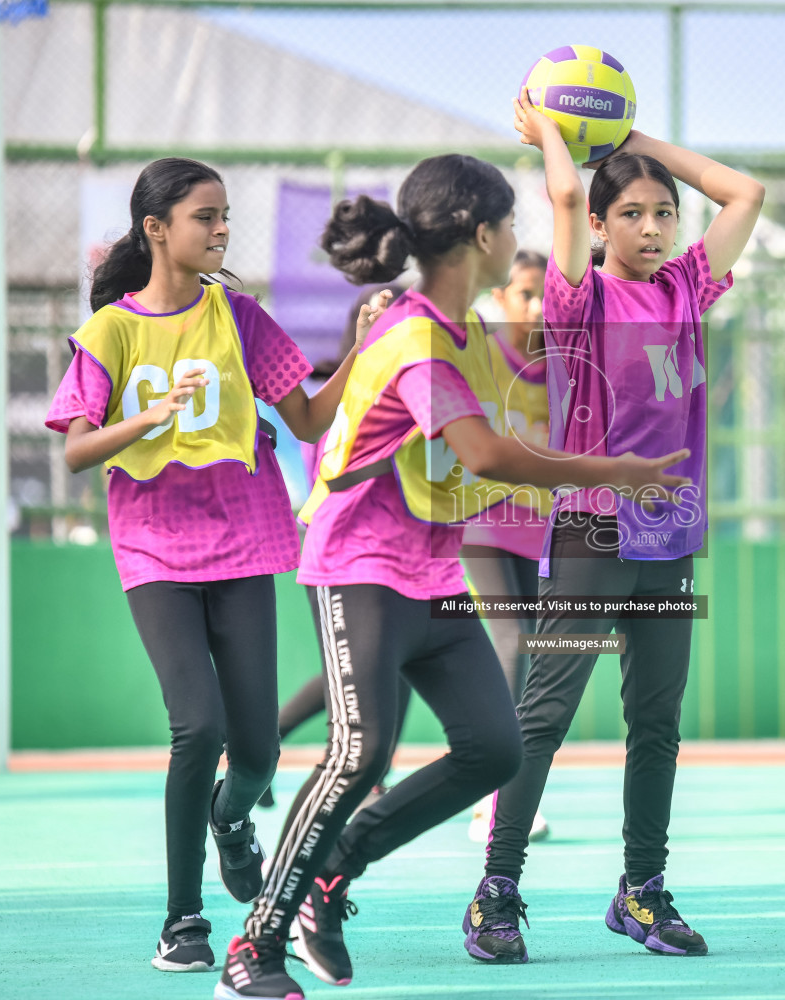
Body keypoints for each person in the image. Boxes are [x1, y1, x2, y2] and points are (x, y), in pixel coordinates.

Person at [213, 152, 692, 1000]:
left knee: (493, 748)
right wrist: (613, 473)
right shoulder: (418, 335)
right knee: (359, 752)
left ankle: (333, 873)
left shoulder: (456, 331)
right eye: (512, 226)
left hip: (431, 569)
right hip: (362, 566)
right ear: (481, 235)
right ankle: (256, 946)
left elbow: (364, 421)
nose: (521, 242)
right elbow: (484, 453)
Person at [44, 156, 377, 974]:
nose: (222, 229)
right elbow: (79, 449)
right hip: (154, 545)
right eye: (205, 216)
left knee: (257, 750)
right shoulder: (111, 332)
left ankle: (233, 821)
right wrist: (147, 417)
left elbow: (305, 420)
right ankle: (181, 919)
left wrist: (362, 351)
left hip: (244, 539)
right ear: (156, 229)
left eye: (225, 214)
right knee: (197, 727)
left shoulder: (241, 317)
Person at [459, 96, 764, 964]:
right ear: (600, 225)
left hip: (670, 539)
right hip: (594, 535)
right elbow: (559, 201)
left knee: (657, 722)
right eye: (632, 212)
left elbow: (744, 193)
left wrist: (632, 141)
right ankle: (497, 891)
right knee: (543, 715)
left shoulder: (687, 287)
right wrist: (558, 134)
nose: (655, 226)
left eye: (665, 212)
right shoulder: (578, 299)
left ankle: (642, 890)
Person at [259, 283, 410, 813]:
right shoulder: (348, 394)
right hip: (343, 547)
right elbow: (340, 472)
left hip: (398, 550)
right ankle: (280, 750)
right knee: (356, 671)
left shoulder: (414, 384)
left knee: (389, 665)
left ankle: (364, 771)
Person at [460, 250, 552, 844]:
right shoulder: (480, 356)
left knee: (538, 657)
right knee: (512, 643)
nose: (539, 306)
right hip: (483, 522)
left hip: (544, 528)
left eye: (546, 293)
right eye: (525, 293)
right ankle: (488, 801)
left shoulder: (570, 363)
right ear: (499, 298)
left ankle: (506, 789)